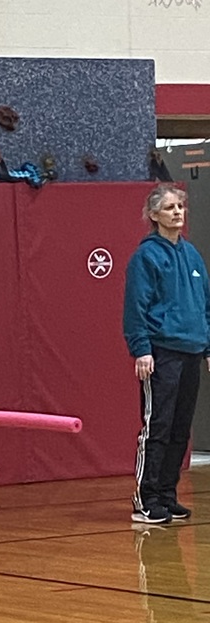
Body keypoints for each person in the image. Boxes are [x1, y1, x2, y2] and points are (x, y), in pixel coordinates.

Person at [123, 183, 210, 524]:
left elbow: (205, 305)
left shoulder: (191, 255)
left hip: (191, 351)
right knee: (157, 426)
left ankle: (167, 495)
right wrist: (142, 350)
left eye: (181, 207)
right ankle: (146, 499)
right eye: (170, 207)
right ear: (154, 215)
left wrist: (206, 346)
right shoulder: (146, 257)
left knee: (180, 427)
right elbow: (135, 309)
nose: (177, 212)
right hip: (162, 352)